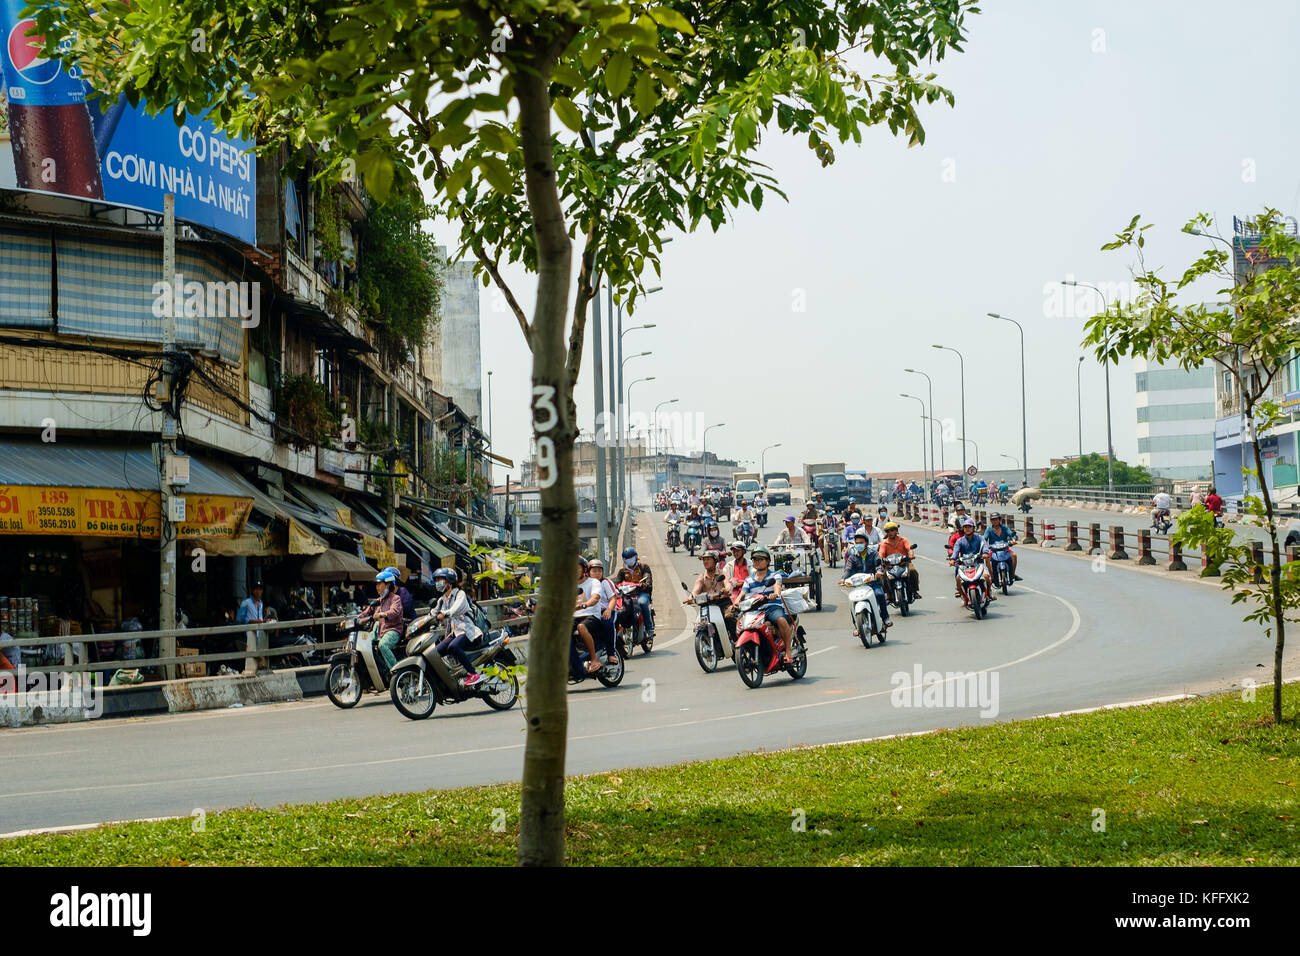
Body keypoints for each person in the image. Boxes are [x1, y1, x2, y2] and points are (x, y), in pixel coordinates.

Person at [740, 545, 797, 664]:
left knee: (781, 620)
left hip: (772, 607)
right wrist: (735, 603)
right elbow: (742, 593)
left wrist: (776, 593)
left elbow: (777, 585)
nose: (757, 562)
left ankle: (788, 650)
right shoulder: (749, 580)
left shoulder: (774, 575)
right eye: (755, 559)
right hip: (755, 610)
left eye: (760, 559)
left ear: (768, 562)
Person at [430, 567, 486, 685]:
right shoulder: (442, 599)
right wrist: (422, 623)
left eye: (440, 579)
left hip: (466, 630)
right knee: (434, 653)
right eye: (436, 580)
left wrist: (444, 614)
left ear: (449, 581)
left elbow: (453, 610)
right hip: (454, 633)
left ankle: (473, 674)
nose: (438, 583)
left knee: (453, 647)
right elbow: (432, 613)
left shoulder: (460, 594)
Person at [841, 527, 891, 634]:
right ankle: (856, 625)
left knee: (880, 595)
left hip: (873, 583)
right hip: (858, 585)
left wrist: (878, 573)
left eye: (861, 543)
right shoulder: (852, 557)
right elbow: (848, 570)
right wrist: (843, 579)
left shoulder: (874, 554)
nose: (858, 544)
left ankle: (885, 618)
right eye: (856, 543)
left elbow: (878, 565)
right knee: (851, 601)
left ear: (866, 543)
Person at [357, 569, 405, 675]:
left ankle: (397, 672)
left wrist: (383, 614)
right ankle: (378, 671)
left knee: (383, 645)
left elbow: (394, 611)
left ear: (388, 585)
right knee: (364, 644)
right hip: (380, 631)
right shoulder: (379, 600)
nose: (377, 587)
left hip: (393, 630)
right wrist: (356, 618)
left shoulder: (395, 598)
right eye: (376, 584)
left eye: (380, 584)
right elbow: (367, 611)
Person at [612, 547, 654, 640]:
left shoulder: (644, 567)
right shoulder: (622, 571)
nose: (629, 559)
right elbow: (617, 581)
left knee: (642, 603)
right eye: (627, 558)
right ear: (624, 559)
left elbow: (648, 578)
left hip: (641, 593)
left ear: (636, 557)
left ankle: (649, 629)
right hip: (627, 595)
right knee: (618, 607)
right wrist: (611, 584)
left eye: (631, 557)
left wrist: (645, 584)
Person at [948, 517, 994, 600]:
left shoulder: (979, 538)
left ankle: (989, 592)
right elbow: (955, 552)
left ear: (973, 528)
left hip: (978, 564)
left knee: (986, 576)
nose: (967, 529)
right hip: (964, 565)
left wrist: (985, 553)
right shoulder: (960, 541)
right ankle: (963, 596)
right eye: (965, 527)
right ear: (963, 529)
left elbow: (984, 546)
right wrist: (952, 560)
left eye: (969, 527)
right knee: (958, 579)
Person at [572, 558, 605, 673]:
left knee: (581, 627)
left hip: (591, 616)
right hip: (573, 617)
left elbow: (595, 598)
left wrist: (584, 605)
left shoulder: (593, 582)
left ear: (584, 569)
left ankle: (594, 658)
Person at [587, 558, 619, 666]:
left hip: (606, 611)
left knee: (607, 623)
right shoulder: (586, 584)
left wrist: (609, 610)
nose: (597, 573)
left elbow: (613, 598)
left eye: (599, 571)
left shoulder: (605, 582)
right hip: (591, 612)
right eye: (594, 571)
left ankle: (611, 653)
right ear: (588, 572)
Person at [878, 522, 920, 600]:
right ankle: (888, 595)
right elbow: (881, 554)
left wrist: (911, 555)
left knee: (913, 571)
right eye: (888, 531)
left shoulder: (903, 540)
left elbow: (909, 549)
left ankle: (915, 591)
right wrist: (881, 559)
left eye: (892, 530)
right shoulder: (884, 544)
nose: (890, 533)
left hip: (904, 563)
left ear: (896, 531)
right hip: (890, 566)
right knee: (882, 576)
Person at [983, 513, 1022, 581]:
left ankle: (1012, 574)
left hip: (1005, 549)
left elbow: (1011, 534)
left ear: (999, 520)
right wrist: (984, 545)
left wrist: (1013, 540)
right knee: (987, 559)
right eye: (993, 519)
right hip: (993, 551)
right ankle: (992, 576)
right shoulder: (989, 530)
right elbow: (984, 539)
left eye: (996, 519)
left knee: (1014, 555)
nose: (994, 521)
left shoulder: (1004, 527)